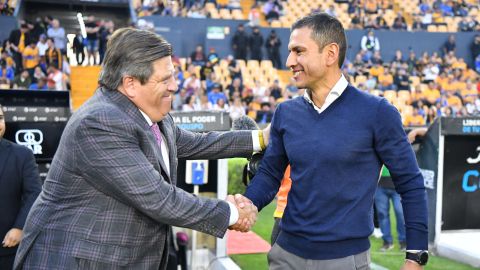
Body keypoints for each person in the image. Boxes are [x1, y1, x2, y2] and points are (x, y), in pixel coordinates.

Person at [14, 28, 266, 269]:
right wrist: (232, 213)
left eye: (174, 75)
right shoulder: (99, 122)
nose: (175, 86)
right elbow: (160, 198)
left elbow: (195, 142)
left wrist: (260, 139)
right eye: (165, 79)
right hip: (75, 261)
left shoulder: (151, 113)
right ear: (131, 83)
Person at [235, 13, 428, 269]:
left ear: (330, 54)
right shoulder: (285, 112)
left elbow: (411, 183)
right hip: (285, 254)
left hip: (345, 260)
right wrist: (248, 203)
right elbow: (270, 173)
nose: (289, 60)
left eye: (299, 51)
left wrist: (415, 257)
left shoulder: (378, 112)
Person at [0, 104, 42, 270]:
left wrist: (19, 227)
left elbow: (34, 193)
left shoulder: (22, 155)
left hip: (8, 248)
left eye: (1, 118)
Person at [375, 166, 406, 252]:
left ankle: (403, 241)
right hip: (379, 186)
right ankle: (387, 242)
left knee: (400, 213)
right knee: (382, 214)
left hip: (398, 185)